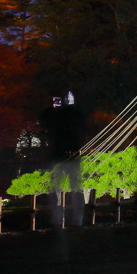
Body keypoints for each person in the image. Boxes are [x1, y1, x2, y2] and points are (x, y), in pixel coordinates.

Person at [41, 95, 86, 228]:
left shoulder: (59, 115)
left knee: (60, 188)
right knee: (73, 188)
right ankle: (74, 219)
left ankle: (59, 219)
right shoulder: (74, 114)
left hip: (59, 155)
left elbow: (47, 126)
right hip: (68, 154)